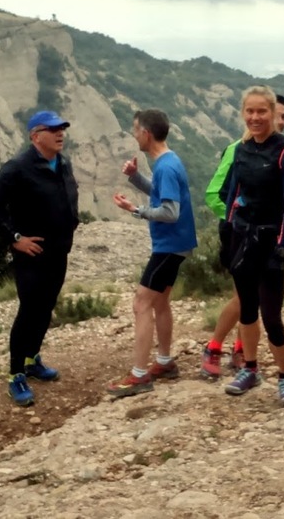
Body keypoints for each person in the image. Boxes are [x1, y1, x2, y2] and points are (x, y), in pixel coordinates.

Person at [0, 110, 79, 407]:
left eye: (62, 128)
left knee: (46, 308)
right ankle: (16, 375)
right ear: (35, 136)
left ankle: (32, 359)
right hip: (31, 256)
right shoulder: (18, 168)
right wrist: (15, 238)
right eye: (53, 129)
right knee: (29, 311)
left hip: (59, 251)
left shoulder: (63, 163)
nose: (60, 133)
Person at [221, 86, 284, 406]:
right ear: (243, 113)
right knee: (246, 309)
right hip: (243, 237)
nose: (255, 117)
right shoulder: (241, 149)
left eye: (261, 111)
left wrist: (283, 247)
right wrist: (228, 233)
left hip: (271, 241)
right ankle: (251, 369)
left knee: (271, 317)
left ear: (272, 112)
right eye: (250, 111)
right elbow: (233, 194)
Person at [106, 109, 198, 398]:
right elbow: (161, 193)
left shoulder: (165, 167)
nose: (134, 135)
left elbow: (170, 212)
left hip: (169, 245)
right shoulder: (167, 162)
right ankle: (164, 362)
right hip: (176, 243)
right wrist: (135, 177)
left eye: (136, 130)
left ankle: (139, 375)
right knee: (160, 301)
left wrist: (136, 210)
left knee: (141, 303)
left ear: (146, 133)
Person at [200, 94, 284, 379]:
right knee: (243, 297)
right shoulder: (237, 149)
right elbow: (213, 194)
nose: (280, 121)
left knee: (252, 298)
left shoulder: (281, 152)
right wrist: (235, 217)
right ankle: (214, 348)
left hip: (264, 234)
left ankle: (241, 351)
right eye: (278, 115)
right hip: (237, 232)